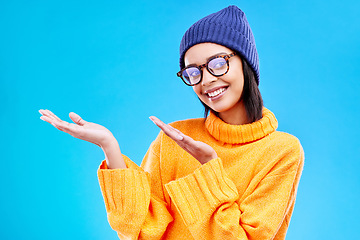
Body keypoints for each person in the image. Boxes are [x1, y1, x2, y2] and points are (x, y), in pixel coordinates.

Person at [39, 5, 304, 240]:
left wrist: (209, 169)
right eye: (193, 71)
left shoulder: (283, 151)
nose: (206, 79)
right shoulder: (176, 137)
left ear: (245, 62)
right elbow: (140, 230)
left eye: (217, 64)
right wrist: (110, 147)